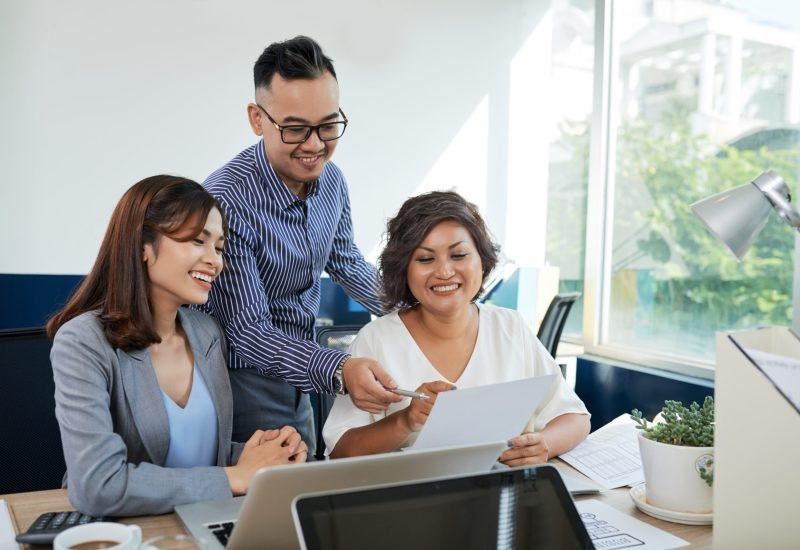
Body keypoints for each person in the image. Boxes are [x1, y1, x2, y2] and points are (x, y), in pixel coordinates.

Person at [47, 176, 308, 517]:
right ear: (143, 246)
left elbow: (199, 455)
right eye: (198, 241)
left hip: (200, 520)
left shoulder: (206, 333)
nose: (215, 261)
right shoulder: (83, 342)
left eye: (219, 247)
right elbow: (98, 485)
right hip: (128, 530)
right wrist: (236, 476)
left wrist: (266, 454)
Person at [201, 35, 400, 454]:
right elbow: (248, 332)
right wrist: (340, 369)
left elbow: (345, 261)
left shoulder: (332, 180)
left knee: (304, 478)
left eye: (328, 126)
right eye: (295, 129)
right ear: (257, 119)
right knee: (265, 488)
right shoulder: (225, 200)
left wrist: (411, 307)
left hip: (301, 368)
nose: (314, 145)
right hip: (240, 378)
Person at [323, 191, 591, 463]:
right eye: (425, 259)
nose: (444, 272)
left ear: (482, 261)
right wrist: (405, 421)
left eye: (459, 255)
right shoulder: (375, 339)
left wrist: (545, 444)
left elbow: (575, 417)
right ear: (404, 269)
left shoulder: (510, 327)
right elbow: (340, 451)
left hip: (503, 486)